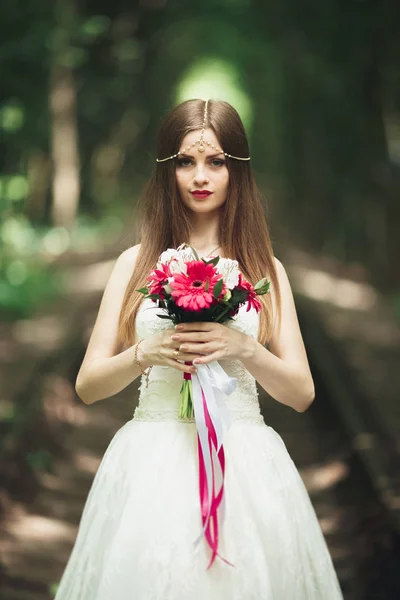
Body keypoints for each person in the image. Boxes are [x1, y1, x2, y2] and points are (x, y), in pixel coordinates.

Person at [54, 99, 344, 599]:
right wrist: (145, 353)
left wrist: (243, 348)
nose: (200, 176)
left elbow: (301, 394)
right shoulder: (133, 264)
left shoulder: (265, 271)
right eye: (185, 162)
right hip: (150, 464)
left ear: (238, 171)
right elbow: (87, 386)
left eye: (216, 162)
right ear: (167, 170)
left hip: (244, 462)